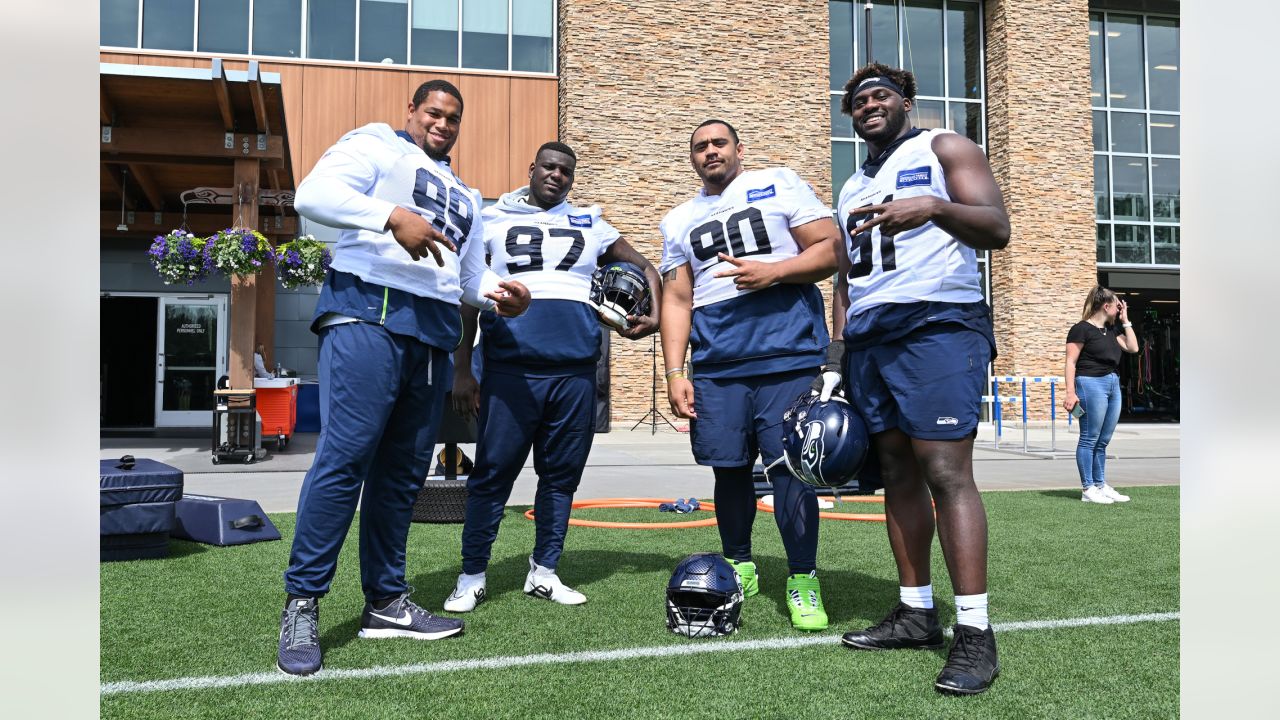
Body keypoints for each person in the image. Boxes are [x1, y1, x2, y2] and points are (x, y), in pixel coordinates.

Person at [278, 79, 531, 676]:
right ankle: (303, 601)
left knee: (401, 477)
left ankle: (386, 603)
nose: (442, 125)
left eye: (453, 118)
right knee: (345, 459)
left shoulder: (468, 194)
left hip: (433, 333)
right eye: (433, 113)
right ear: (412, 111)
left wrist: (500, 297)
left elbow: (467, 277)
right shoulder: (378, 144)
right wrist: (392, 215)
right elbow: (311, 195)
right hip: (368, 310)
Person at [829, 64, 1010, 696]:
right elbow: (846, 279)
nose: (868, 106)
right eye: (857, 101)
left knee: (945, 473)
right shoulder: (851, 184)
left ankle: (975, 633)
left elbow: (997, 227)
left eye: (880, 96)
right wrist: (839, 350)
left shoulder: (944, 146)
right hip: (871, 340)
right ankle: (915, 612)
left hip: (936, 324)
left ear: (907, 102)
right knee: (897, 474)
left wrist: (933, 206)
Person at [443, 141, 661, 612]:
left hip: (575, 372)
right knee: (493, 476)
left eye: (566, 171)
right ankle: (472, 574)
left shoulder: (590, 222)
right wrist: (462, 369)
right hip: (510, 370)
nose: (557, 176)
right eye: (549, 167)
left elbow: (645, 266)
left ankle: (544, 571)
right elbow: (465, 296)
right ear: (532, 168)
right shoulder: (491, 216)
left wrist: (656, 315)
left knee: (561, 478)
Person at [659, 119, 841, 631]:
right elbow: (676, 297)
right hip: (717, 365)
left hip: (787, 354)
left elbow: (831, 249)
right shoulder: (677, 220)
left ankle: (802, 577)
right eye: (700, 147)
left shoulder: (780, 182)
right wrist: (676, 371)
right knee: (728, 468)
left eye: (719, 143)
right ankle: (738, 564)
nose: (710, 151)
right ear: (691, 158)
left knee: (792, 471)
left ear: (740, 149)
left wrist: (774, 271)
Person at [1064, 286, 1140, 504]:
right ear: (1106, 306)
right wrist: (1070, 392)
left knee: (1103, 440)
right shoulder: (1081, 329)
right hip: (1090, 383)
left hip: (1112, 384)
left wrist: (1126, 321)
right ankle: (1088, 488)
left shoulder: (1112, 331)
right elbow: (1070, 362)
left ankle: (1100, 484)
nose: (1119, 309)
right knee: (1089, 438)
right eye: (1117, 306)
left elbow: (1133, 347)